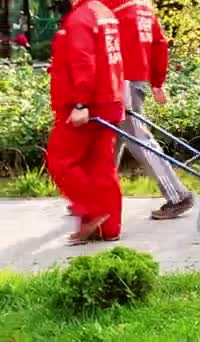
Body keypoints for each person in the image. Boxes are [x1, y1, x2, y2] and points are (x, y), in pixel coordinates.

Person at [101, 0, 193, 220]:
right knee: (108, 139)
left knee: (138, 139)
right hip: (135, 77)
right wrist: (157, 81)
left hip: (122, 80)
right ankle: (97, 199)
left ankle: (178, 195)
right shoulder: (143, 6)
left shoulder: (109, 4)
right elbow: (159, 42)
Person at [46, 0, 124, 245]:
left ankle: (94, 209)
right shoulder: (104, 13)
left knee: (60, 161)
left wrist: (81, 103)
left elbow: (83, 60)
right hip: (108, 99)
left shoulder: (80, 18)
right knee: (100, 166)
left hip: (84, 105)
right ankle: (108, 229)